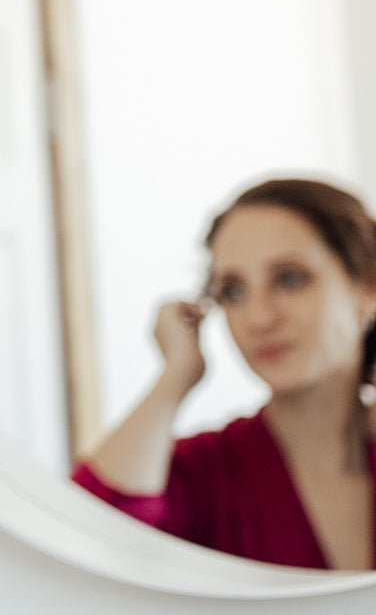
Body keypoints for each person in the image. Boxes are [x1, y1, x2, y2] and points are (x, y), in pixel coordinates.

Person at [72, 178, 376, 570]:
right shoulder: (201, 472)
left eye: (289, 278)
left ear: (367, 287)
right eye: (233, 291)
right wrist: (176, 375)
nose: (259, 318)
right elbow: (86, 539)